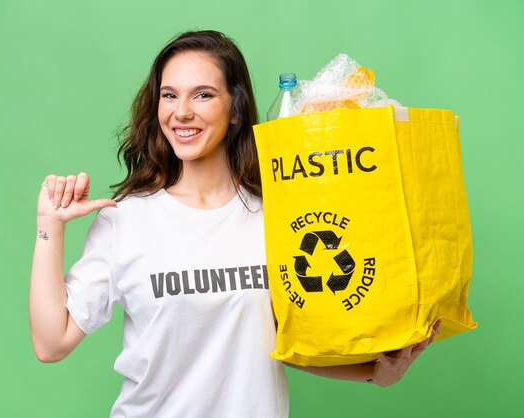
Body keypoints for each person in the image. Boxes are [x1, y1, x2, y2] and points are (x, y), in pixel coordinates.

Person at [29, 30, 439, 418]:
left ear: (236, 109)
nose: (181, 112)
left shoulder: (278, 215)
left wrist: (375, 372)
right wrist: (50, 227)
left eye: (203, 95)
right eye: (169, 95)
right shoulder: (126, 219)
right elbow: (52, 343)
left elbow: (282, 343)